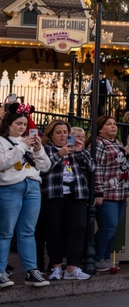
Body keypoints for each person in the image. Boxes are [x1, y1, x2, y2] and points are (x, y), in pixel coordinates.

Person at [0, 104, 52, 288]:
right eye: (18, 123)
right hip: (10, 187)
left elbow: (45, 167)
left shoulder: (29, 143)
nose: (22, 127)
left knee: (28, 231)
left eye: (24, 123)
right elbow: (3, 163)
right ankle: (0, 272)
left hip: (32, 187)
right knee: (5, 232)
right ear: (9, 124)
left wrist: (38, 150)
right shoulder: (2, 142)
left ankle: (31, 271)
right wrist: (22, 146)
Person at [38, 120, 94, 281]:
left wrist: (79, 152)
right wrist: (59, 154)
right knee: (54, 230)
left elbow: (91, 167)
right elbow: (43, 168)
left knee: (78, 228)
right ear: (51, 135)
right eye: (59, 132)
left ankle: (72, 268)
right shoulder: (46, 149)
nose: (63, 135)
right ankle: (55, 266)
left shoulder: (75, 149)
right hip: (54, 195)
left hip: (76, 194)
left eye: (65, 132)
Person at [91, 116, 129, 272]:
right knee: (108, 227)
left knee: (114, 228)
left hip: (121, 192)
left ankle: (106, 258)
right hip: (107, 193)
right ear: (100, 128)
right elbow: (97, 169)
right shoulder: (99, 144)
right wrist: (98, 191)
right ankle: (96, 257)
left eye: (114, 123)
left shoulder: (118, 143)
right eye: (108, 124)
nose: (113, 126)